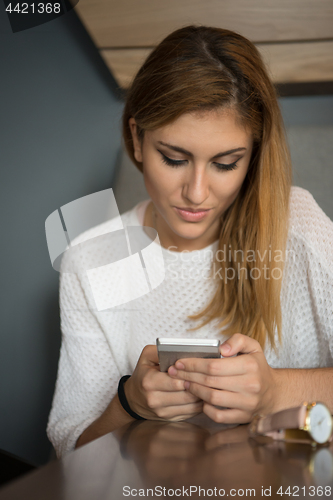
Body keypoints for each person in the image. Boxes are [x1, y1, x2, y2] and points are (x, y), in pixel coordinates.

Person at [47, 25, 333, 458]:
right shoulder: (90, 261)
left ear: (252, 156)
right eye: (174, 159)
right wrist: (130, 403)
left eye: (225, 163)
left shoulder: (299, 226)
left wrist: (276, 390)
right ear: (137, 139)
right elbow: (71, 446)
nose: (196, 194)